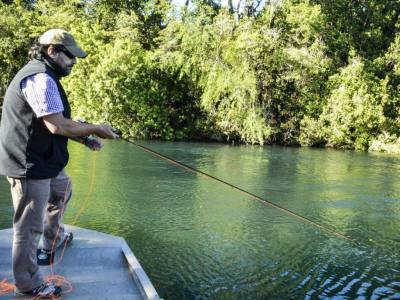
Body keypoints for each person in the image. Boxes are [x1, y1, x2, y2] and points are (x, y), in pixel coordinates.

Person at [0, 29, 119, 298]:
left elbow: (51, 122)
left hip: (45, 161)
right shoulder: (40, 78)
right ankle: (29, 285)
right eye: (70, 56)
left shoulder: (47, 75)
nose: (74, 61)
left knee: (62, 191)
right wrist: (97, 128)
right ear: (52, 51)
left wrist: (86, 138)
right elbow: (56, 125)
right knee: (28, 228)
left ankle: (53, 239)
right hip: (28, 164)